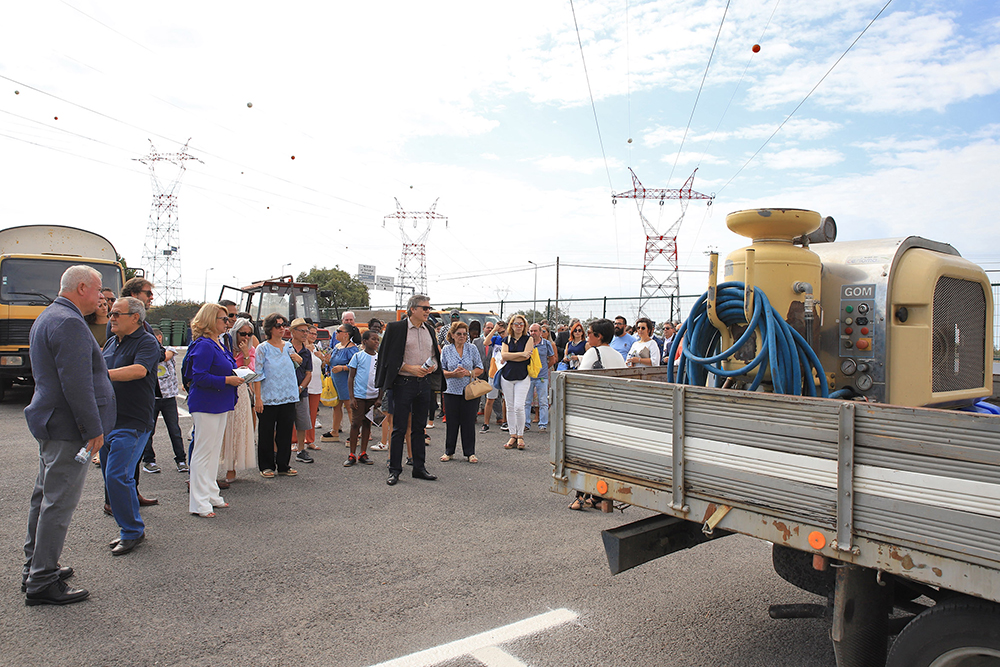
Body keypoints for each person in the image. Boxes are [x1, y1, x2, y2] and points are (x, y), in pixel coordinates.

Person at [22, 266, 114, 605]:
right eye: (99, 289)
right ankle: (42, 581)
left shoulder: (51, 316)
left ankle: (36, 566)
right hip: (67, 427)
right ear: (81, 288)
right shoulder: (69, 322)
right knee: (57, 504)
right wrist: (93, 429)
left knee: (45, 499)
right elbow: (76, 384)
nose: (102, 296)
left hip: (53, 422)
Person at [101, 296, 160, 556]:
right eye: (111, 313)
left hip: (133, 422)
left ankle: (132, 531)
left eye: (116, 313)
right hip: (109, 421)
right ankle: (131, 528)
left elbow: (138, 370)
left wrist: (101, 375)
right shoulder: (112, 342)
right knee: (111, 477)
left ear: (135, 317)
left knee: (117, 476)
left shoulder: (147, 342)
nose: (111, 317)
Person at [375, 293, 444, 486]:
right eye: (425, 308)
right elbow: (387, 358)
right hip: (403, 384)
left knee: (419, 428)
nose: (428, 311)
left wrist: (433, 368)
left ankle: (419, 467)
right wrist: (407, 367)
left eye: (429, 308)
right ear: (413, 309)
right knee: (398, 428)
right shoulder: (396, 328)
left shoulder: (429, 330)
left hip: (423, 384)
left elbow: (434, 356)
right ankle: (394, 469)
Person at [186, 304, 243, 518]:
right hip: (207, 403)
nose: (227, 322)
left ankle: (210, 493)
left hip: (220, 401)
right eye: (223, 319)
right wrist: (228, 379)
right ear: (210, 320)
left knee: (212, 451)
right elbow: (198, 377)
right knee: (203, 452)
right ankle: (199, 501)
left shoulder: (218, 343)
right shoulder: (204, 345)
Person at [253, 313, 301, 478]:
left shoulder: (288, 346)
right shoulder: (263, 348)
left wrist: (298, 359)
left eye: (284, 325)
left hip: (288, 394)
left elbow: (294, 366)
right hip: (269, 396)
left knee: (285, 432)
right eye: (278, 325)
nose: (282, 328)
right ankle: (266, 465)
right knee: (266, 432)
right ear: (269, 329)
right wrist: (258, 398)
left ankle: (283, 464)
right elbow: (257, 374)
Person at [143, 328, 188, 474]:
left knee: (174, 430)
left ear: (160, 337)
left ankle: (181, 459)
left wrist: (152, 352)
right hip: (151, 398)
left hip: (168, 397)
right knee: (149, 432)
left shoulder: (169, 350)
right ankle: (149, 460)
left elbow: (165, 357)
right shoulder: (146, 352)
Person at [439, 321, 483, 463]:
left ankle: (470, 452)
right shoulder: (446, 349)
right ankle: (449, 451)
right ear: (452, 335)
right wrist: (452, 374)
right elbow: (441, 371)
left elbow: (480, 369)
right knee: (452, 422)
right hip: (451, 390)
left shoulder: (472, 348)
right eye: (459, 334)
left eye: (465, 334)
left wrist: (468, 373)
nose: (462, 336)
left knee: (468, 422)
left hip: (469, 391)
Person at [220, 317, 256, 483]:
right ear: (235, 332)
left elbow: (250, 374)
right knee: (222, 428)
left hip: (240, 391)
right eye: (243, 333)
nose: (246, 337)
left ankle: (231, 467)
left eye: (249, 334)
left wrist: (246, 355)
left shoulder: (251, 350)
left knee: (237, 429)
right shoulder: (223, 346)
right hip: (223, 388)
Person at [344, 330, 380, 466]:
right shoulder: (358, 357)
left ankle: (363, 453)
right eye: (373, 339)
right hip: (359, 396)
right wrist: (351, 397)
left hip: (373, 397)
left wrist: (379, 398)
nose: (376, 342)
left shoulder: (379, 358)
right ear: (364, 341)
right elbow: (351, 377)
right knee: (355, 424)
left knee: (367, 424)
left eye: (377, 339)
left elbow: (381, 379)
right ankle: (352, 453)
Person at [500, 314, 534, 450]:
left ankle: (520, 435)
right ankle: (512, 434)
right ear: (511, 325)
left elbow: (527, 357)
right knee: (510, 406)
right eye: (516, 324)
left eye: (521, 324)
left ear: (524, 326)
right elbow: (504, 355)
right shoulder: (506, 339)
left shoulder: (528, 339)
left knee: (519, 406)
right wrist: (520, 354)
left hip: (523, 376)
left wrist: (511, 356)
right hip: (507, 376)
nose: (519, 326)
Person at [322, 323, 359, 444]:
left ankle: (355, 434)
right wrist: (327, 361)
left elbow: (356, 366)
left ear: (346, 334)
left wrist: (342, 368)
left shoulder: (352, 349)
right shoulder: (337, 346)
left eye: (338, 331)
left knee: (349, 407)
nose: (336, 333)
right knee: (336, 406)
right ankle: (334, 430)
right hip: (335, 380)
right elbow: (332, 361)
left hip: (346, 380)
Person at [288, 318, 315, 465]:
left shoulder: (306, 353)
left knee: (302, 422)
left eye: (307, 331)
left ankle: (300, 450)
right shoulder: (285, 348)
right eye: (302, 331)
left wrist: (300, 388)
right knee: (284, 422)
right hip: (284, 392)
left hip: (301, 391)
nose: (306, 334)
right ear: (293, 332)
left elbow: (308, 373)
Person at [524, 323, 555, 432]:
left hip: (542, 377)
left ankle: (543, 425)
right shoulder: (527, 343)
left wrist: (544, 369)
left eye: (535, 331)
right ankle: (526, 423)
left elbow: (552, 359)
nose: (532, 333)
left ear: (540, 332)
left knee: (543, 402)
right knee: (527, 402)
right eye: (531, 331)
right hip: (528, 377)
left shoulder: (546, 344)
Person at [303, 323, 327, 450]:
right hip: (305, 385)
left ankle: (310, 440)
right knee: (300, 414)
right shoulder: (301, 347)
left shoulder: (316, 347)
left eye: (315, 333)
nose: (313, 336)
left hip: (316, 384)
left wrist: (322, 359)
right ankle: (295, 441)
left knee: (312, 415)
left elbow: (320, 366)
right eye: (311, 333)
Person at [482, 320, 506, 432]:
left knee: (506, 399)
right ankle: (486, 423)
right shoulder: (496, 339)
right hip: (494, 372)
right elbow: (485, 342)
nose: (501, 334)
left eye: (503, 332)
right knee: (490, 399)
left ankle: (505, 421)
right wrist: (494, 330)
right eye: (499, 332)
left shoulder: (510, 340)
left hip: (506, 372)